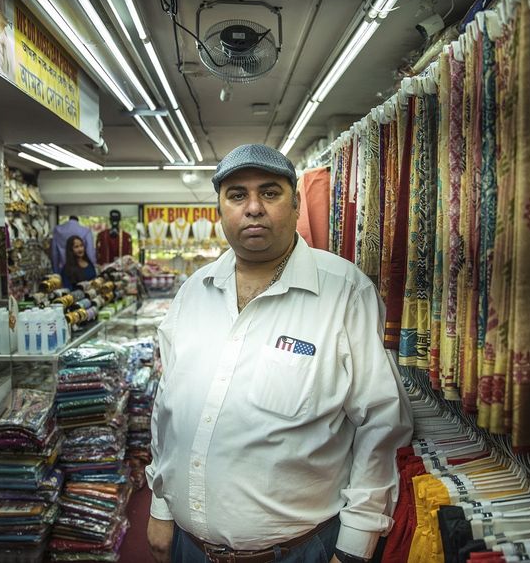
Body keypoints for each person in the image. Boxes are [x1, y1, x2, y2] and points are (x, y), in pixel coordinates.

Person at [146, 144, 413, 563]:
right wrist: (160, 506)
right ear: (220, 208)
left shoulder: (344, 291)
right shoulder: (192, 292)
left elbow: (381, 423)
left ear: (296, 204)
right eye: (237, 195)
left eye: (269, 193)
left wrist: (356, 543)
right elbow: (167, 410)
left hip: (300, 551)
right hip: (189, 547)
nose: (253, 208)